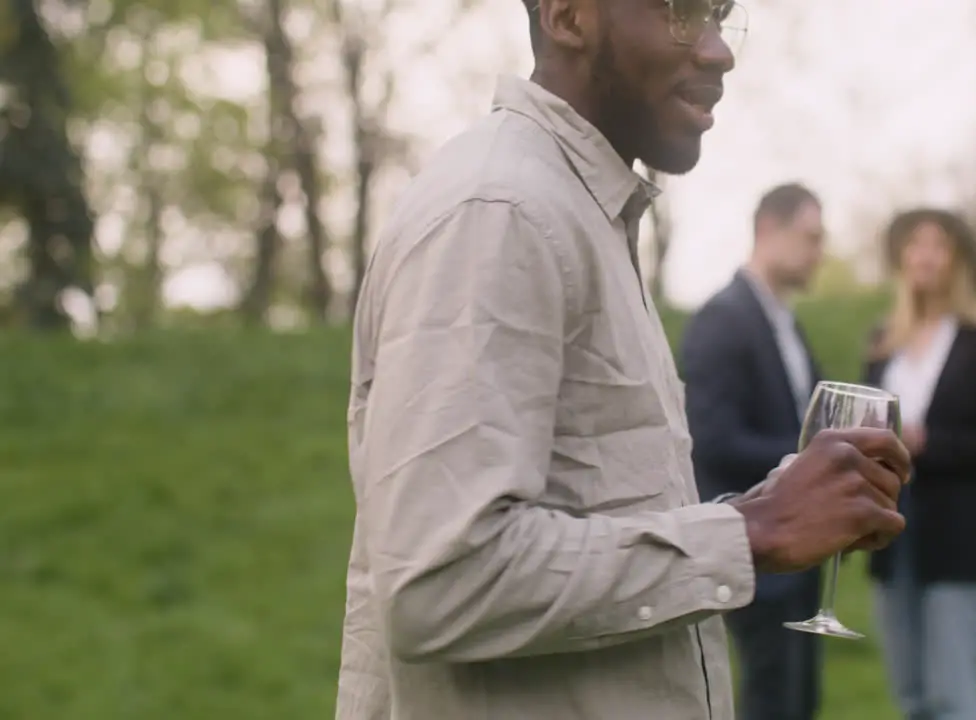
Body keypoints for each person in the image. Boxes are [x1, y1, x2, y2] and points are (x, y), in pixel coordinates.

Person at [335, 1, 914, 718]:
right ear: (569, 17)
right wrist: (746, 535)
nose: (717, 51)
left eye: (717, 15)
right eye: (679, 12)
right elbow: (440, 582)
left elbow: (587, 520)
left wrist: (757, 509)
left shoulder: (576, 210)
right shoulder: (500, 212)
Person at [862, 208, 976, 720]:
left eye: (937, 244)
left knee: (951, 694)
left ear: (958, 259)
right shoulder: (883, 345)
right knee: (911, 694)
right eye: (914, 244)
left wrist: (928, 442)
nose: (924, 255)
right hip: (892, 534)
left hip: (961, 539)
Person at [681, 182, 828, 720]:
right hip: (754, 544)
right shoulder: (723, 319)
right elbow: (712, 436)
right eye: (810, 237)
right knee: (771, 700)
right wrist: (808, 463)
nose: (819, 252)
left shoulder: (785, 322)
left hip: (801, 550)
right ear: (769, 229)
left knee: (799, 700)